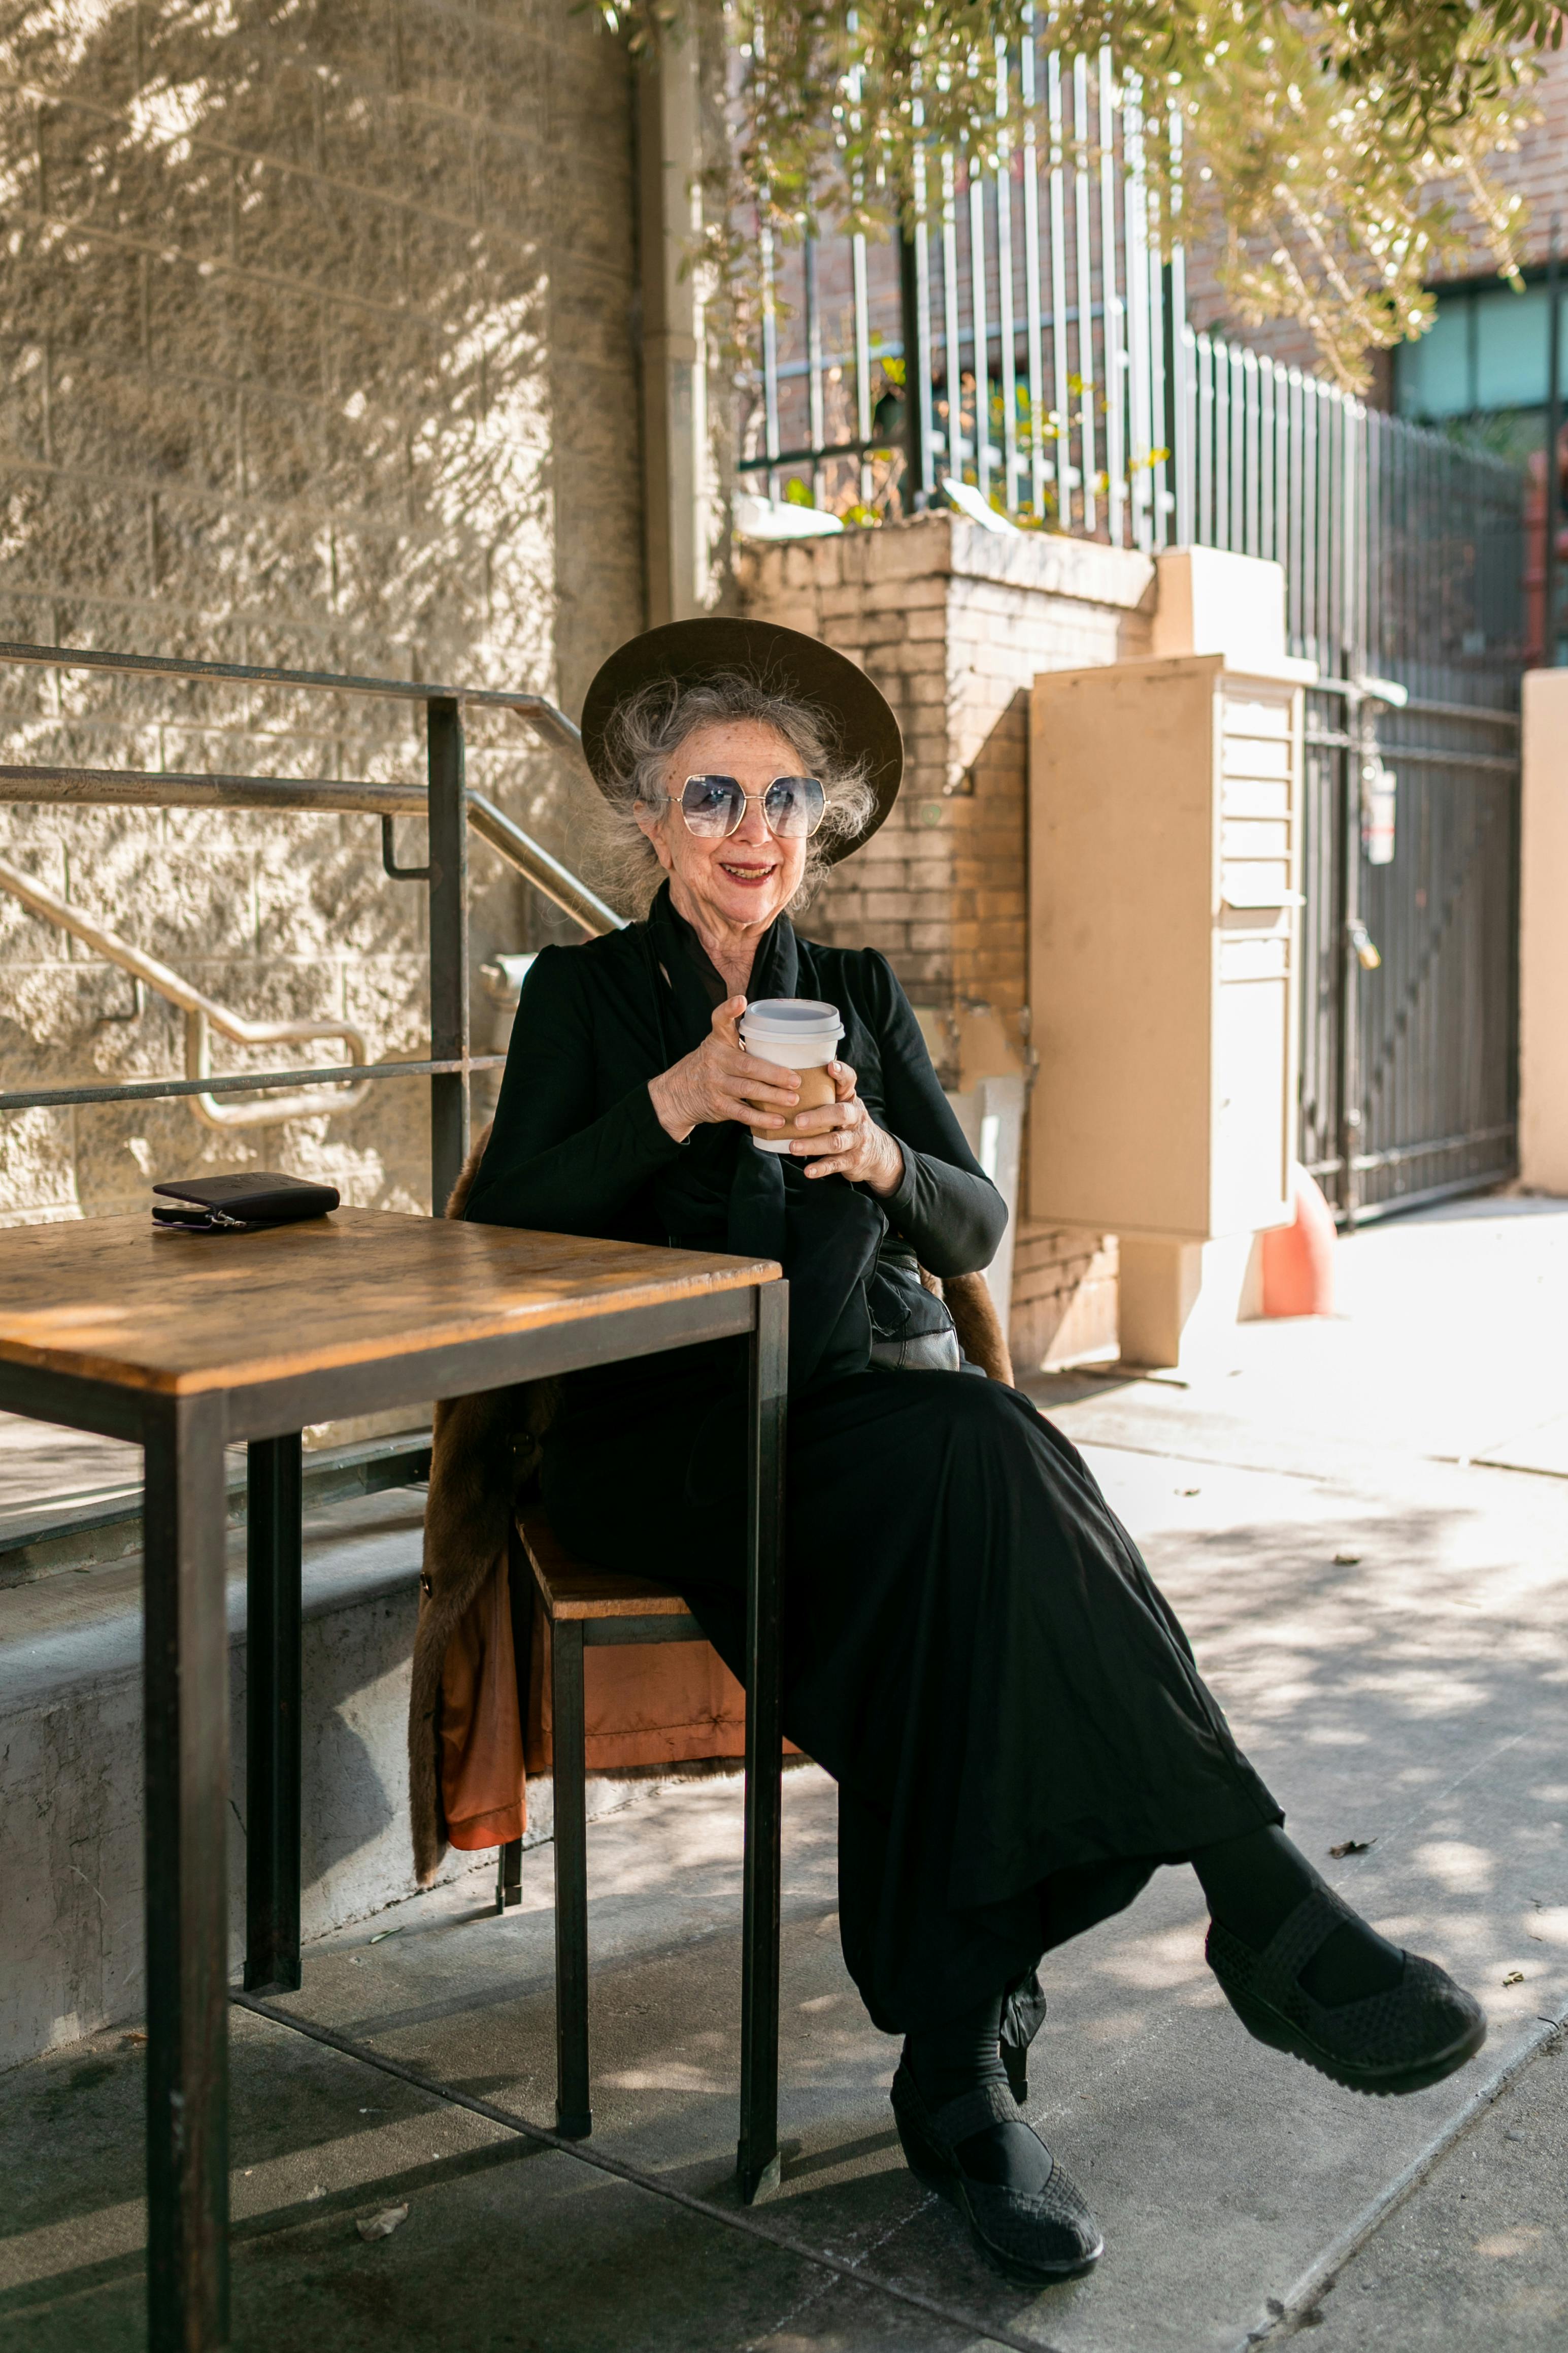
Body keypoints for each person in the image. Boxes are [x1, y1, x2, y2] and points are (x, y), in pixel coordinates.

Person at [463, 616, 1484, 2284]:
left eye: (785, 798)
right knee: (982, 1462)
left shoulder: (857, 995)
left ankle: (962, 2076)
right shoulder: (586, 995)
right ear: (648, 819)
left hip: (856, 1419)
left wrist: (867, 1144)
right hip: (653, 1433)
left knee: (963, 1515)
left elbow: (975, 1217)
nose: (753, 829)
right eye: (711, 793)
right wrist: (673, 1102)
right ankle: (1225, 1906)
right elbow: (501, 1226)